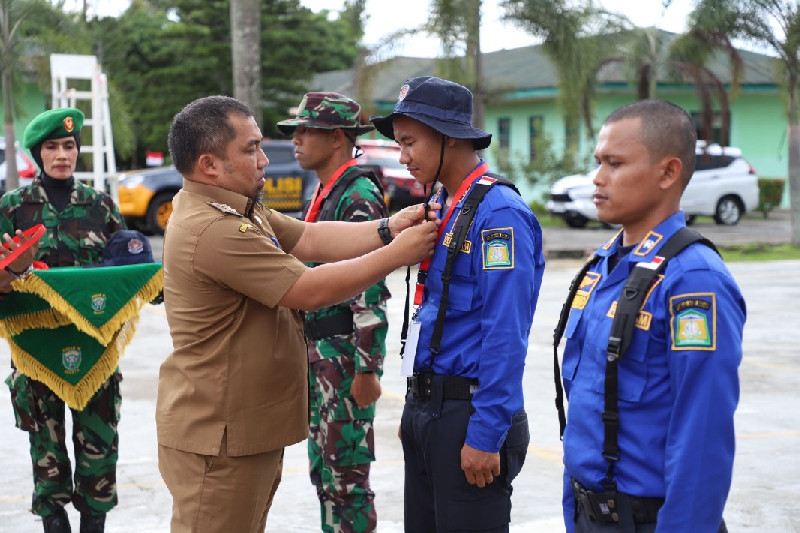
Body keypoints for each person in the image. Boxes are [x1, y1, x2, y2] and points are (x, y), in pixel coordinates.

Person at [157, 95, 438, 533]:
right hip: (220, 435)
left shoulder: (236, 208)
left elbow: (309, 237)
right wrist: (398, 253)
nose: (266, 159)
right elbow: (307, 289)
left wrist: (388, 228)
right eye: (250, 149)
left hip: (241, 428)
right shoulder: (214, 227)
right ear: (210, 165)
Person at [556, 99, 745, 532]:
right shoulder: (605, 264)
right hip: (589, 510)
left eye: (615, 163)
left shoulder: (693, 280)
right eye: (598, 162)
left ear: (668, 172)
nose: (597, 178)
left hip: (645, 517)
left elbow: (703, 434)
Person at [369, 76, 545, 531]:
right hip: (427, 406)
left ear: (448, 137)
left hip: (469, 415)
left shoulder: (497, 214)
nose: (402, 156)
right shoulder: (443, 201)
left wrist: (486, 434)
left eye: (409, 143)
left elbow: (505, 333)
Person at [0, 107, 126, 533]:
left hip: (95, 349)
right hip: (36, 352)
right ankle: (53, 521)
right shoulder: (14, 208)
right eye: (52, 146)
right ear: (39, 153)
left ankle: (94, 521)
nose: (61, 154)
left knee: (99, 453)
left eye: (69, 146)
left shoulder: (100, 206)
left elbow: (122, 278)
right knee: (46, 454)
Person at [277, 92, 389, 532]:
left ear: (338, 137)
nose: (297, 140)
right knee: (326, 474)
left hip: (344, 357)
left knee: (347, 480)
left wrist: (367, 369)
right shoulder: (327, 188)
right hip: (321, 354)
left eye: (306, 131)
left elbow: (370, 283)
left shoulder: (358, 194)